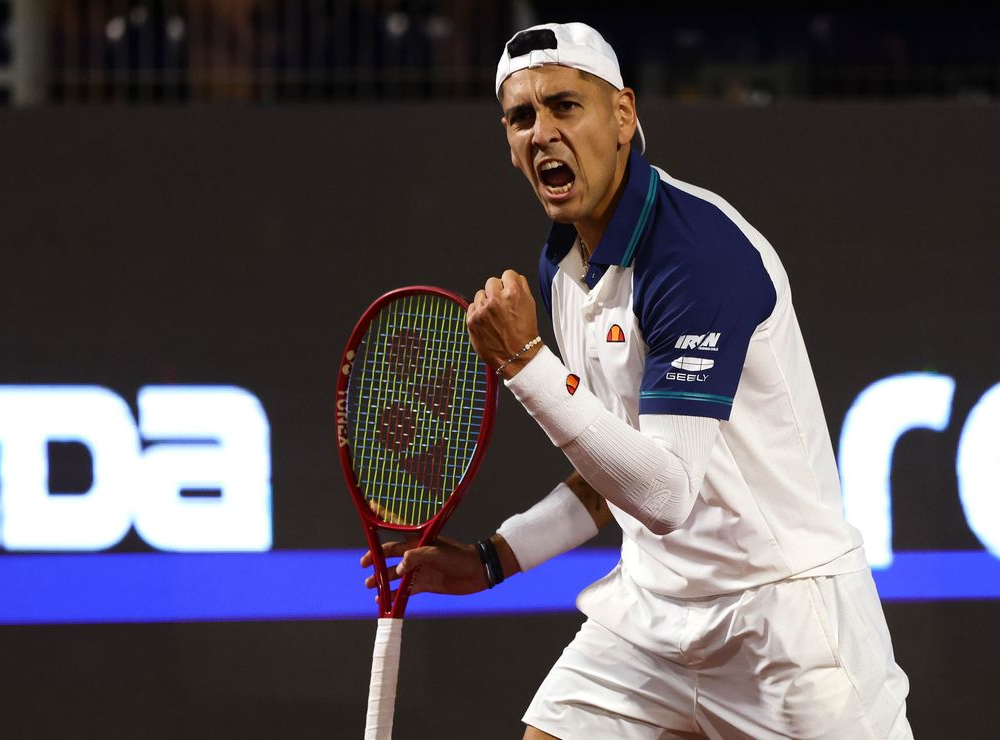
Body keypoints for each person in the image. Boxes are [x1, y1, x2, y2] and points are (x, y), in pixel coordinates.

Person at [362, 21, 913, 739]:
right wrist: (493, 560)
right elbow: (614, 469)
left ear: (623, 115)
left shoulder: (698, 255)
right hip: (650, 619)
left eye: (565, 105)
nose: (542, 132)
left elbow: (665, 493)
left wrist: (526, 361)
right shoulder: (563, 268)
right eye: (521, 117)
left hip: (786, 627)